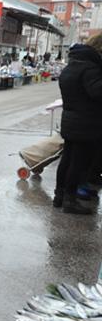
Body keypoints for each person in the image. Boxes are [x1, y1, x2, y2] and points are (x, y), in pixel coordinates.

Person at [53, 34, 102, 215]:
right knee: (78, 163)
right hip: (86, 123)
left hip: (71, 120)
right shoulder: (90, 68)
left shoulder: (72, 65)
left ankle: (59, 196)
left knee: (67, 159)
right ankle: (70, 201)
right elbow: (97, 92)